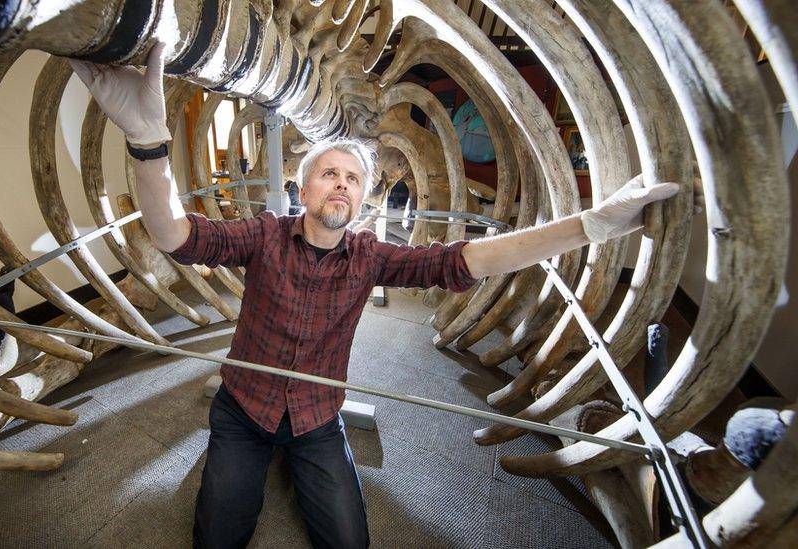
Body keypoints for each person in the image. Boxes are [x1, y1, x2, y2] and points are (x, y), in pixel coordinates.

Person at [69, 44, 685, 549]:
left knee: (349, 541)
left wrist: (593, 226)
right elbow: (175, 235)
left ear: (361, 199)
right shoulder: (263, 234)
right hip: (244, 409)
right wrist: (149, 141)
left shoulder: (369, 256)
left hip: (317, 417)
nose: (341, 183)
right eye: (328, 174)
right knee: (217, 536)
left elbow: (465, 259)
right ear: (303, 189)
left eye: (353, 178)